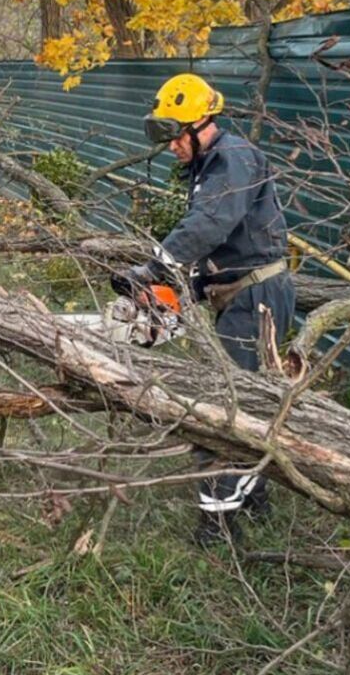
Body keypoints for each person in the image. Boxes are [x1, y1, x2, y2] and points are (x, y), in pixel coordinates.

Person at [113, 73, 295, 546]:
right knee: (251, 399)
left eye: (176, 134)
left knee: (228, 406)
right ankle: (253, 494)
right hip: (242, 291)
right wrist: (178, 292)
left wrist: (157, 267)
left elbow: (210, 224)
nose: (171, 145)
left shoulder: (232, 159)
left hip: (256, 299)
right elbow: (226, 243)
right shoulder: (211, 164)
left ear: (201, 124)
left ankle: (217, 526)